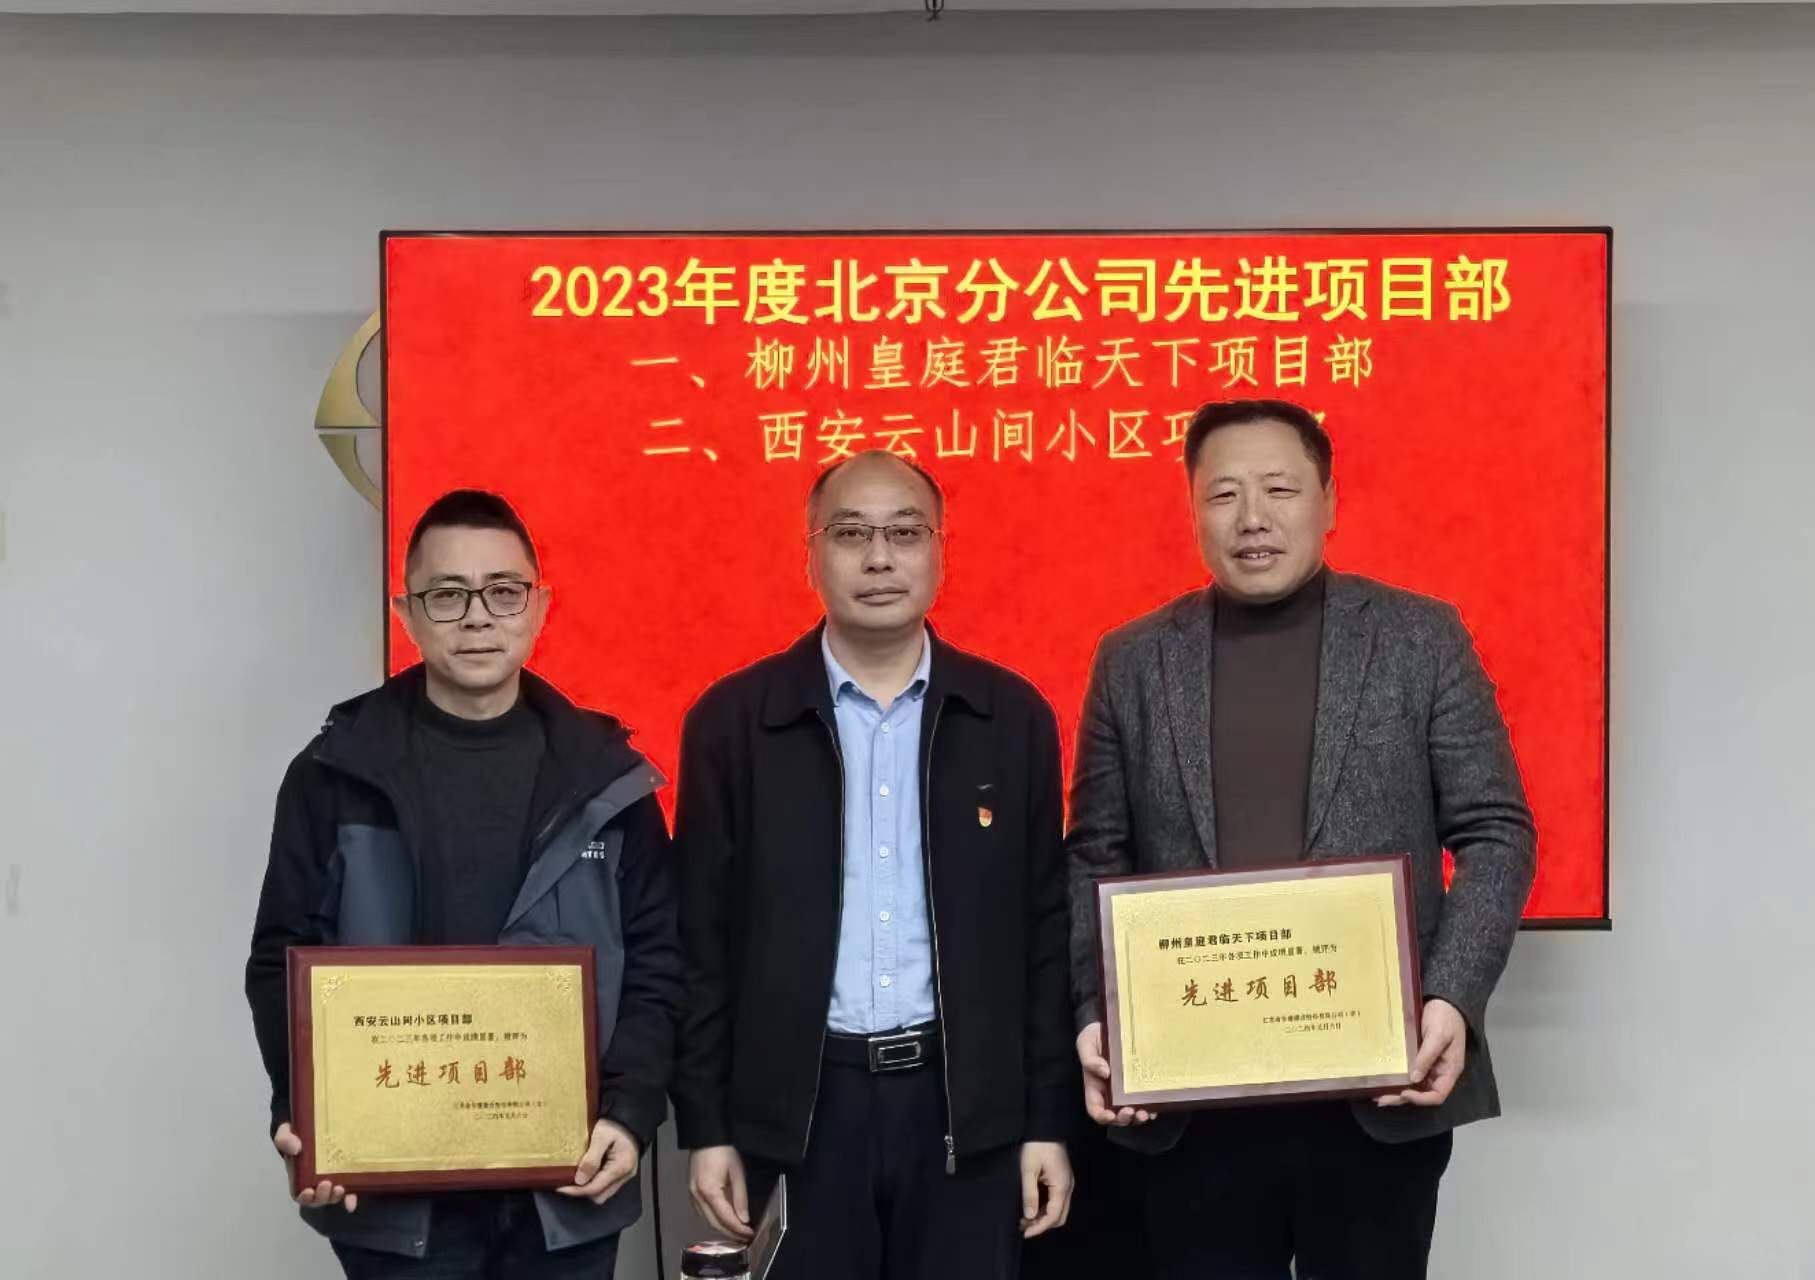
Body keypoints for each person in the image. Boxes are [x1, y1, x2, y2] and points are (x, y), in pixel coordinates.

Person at [1066, 400, 1536, 1279]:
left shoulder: (1418, 637)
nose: (1252, 517)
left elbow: (1494, 831)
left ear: (1328, 501)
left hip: (1377, 1089)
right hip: (1191, 1100)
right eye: (1223, 495)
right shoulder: (1131, 658)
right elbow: (1096, 853)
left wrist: (1449, 999)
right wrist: (1099, 1011)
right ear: (1192, 510)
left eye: (1279, 489)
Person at [244, 489, 682, 1278]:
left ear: (539, 605)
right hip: (393, 1193)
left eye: (503, 591)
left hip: (568, 1186)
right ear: (405, 613)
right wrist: (305, 1110)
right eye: (446, 595)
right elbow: (282, 958)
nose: (477, 617)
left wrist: (631, 1112)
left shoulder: (607, 778)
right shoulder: (334, 774)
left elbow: (659, 962)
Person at [671, 450, 1075, 1280]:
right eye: (851, 534)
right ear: (810, 555)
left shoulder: (1009, 716)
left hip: (964, 1110)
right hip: (801, 1113)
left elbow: (1044, 934)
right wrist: (706, 1126)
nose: (880, 558)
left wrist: (1047, 1121)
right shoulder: (735, 721)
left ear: (940, 552)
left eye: (905, 533)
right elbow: (699, 941)